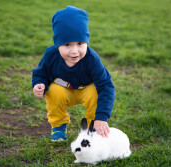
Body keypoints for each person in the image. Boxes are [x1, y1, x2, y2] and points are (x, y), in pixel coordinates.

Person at [32, 6, 115, 142]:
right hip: (64, 91)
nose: (75, 51)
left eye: (80, 43)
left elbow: (106, 86)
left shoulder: (92, 59)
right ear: (57, 43)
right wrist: (39, 84)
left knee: (97, 91)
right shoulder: (51, 55)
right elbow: (41, 73)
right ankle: (58, 126)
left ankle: (92, 127)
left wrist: (101, 117)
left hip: (86, 91)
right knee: (53, 90)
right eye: (67, 45)